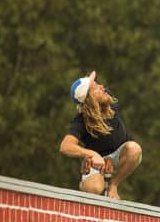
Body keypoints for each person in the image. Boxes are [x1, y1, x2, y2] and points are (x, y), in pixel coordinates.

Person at [59, 71, 142, 200]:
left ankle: (113, 185)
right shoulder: (81, 121)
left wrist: (113, 184)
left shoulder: (107, 100)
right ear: (89, 99)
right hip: (97, 161)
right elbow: (65, 146)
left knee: (134, 149)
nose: (102, 87)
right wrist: (91, 155)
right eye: (96, 88)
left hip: (120, 155)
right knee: (94, 189)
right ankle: (84, 184)